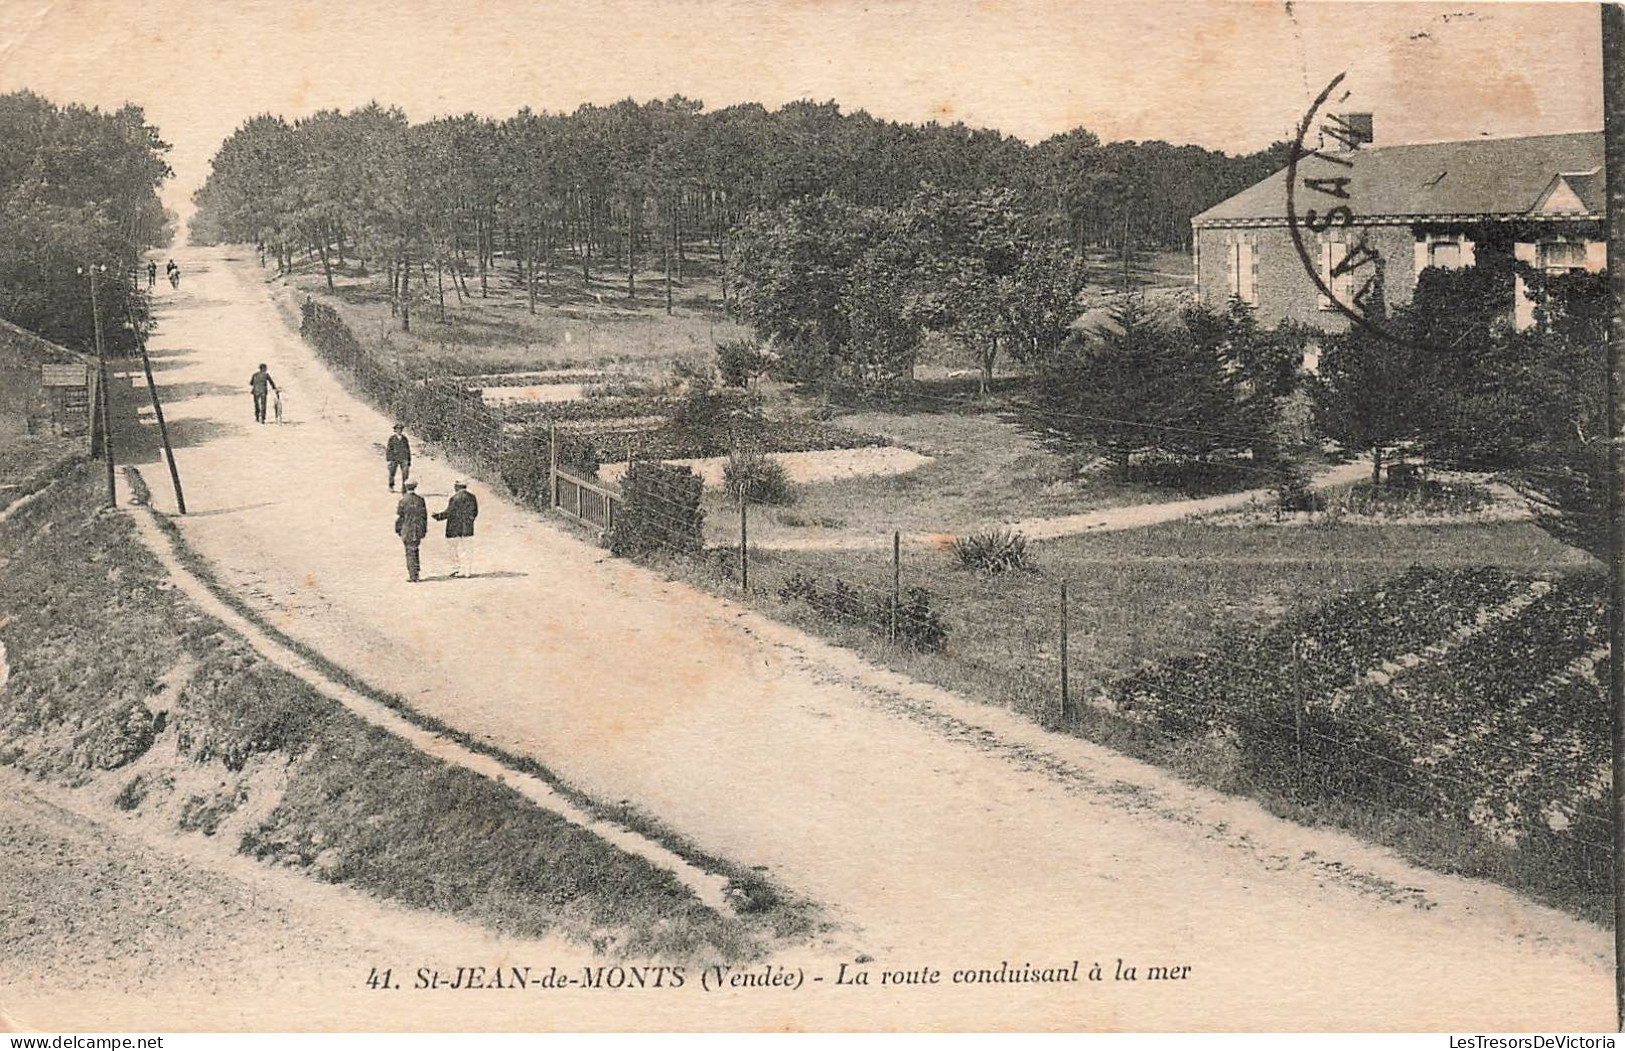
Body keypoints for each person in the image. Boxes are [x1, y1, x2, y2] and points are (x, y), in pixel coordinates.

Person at [433, 481, 480, 578]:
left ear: (457, 487)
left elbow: (449, 513)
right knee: (467, 549)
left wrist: (437, 516)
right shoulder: (472, 497)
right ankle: (467, 571)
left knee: (453, 549)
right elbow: (475, 512)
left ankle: (456, 569)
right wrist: (470, 520)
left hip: (454, 528)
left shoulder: (454, 498)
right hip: (467, 527)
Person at [394, 481, 428, 583]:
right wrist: (424, 529)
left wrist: (397, 529)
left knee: (409, 552)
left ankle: (413, 575)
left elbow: (400, 516)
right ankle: (416, 571)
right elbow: (424, 516)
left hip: (407, 529)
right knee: (415, 550)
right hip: (417, 529)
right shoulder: (420, 500)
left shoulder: (403, 500)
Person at [385, 423, 411, 491]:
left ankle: (404, 488)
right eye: (397, 429)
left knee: (405, 473)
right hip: (394, 458)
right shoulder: (392, 438)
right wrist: (389, 460)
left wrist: (409, 460)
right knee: (392, 472)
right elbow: (389, 449)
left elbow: (408, 449)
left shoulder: (405, 439)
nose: (399, 430)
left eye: (400, 429)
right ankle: (391, 486)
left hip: (403, 458)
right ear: (395, 430)